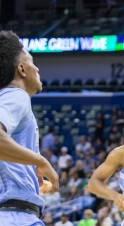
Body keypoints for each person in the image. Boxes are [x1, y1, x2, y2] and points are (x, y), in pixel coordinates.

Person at [0, 31, 59, 226]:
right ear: (22, 69)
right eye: (32, 61)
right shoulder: (16, 95)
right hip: (15, 216)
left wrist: (29, 179)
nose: (37, 67)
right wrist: (41, 161)